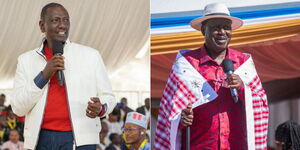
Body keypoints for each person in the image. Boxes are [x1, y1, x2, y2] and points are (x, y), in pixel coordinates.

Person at [154, 3, 269, 150]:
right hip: (198, 145)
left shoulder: (243, 63)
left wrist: (242, 88)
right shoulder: (187, 63)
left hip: (236, 145)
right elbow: (168, 111)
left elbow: (261, 103)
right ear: (203, 30)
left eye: (226, 27)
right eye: (215, 27)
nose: (222, 32)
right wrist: (181, 120)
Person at [10, 2, 116, 149]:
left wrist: (101, 108)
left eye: (66, 20)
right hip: (39, 139)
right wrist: (44, 75)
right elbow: (17, 107)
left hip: (81, 139)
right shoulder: (25, 60)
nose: (62, 25)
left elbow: (109, 97)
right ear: (42, 26)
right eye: (55, 20)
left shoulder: (91, 55)